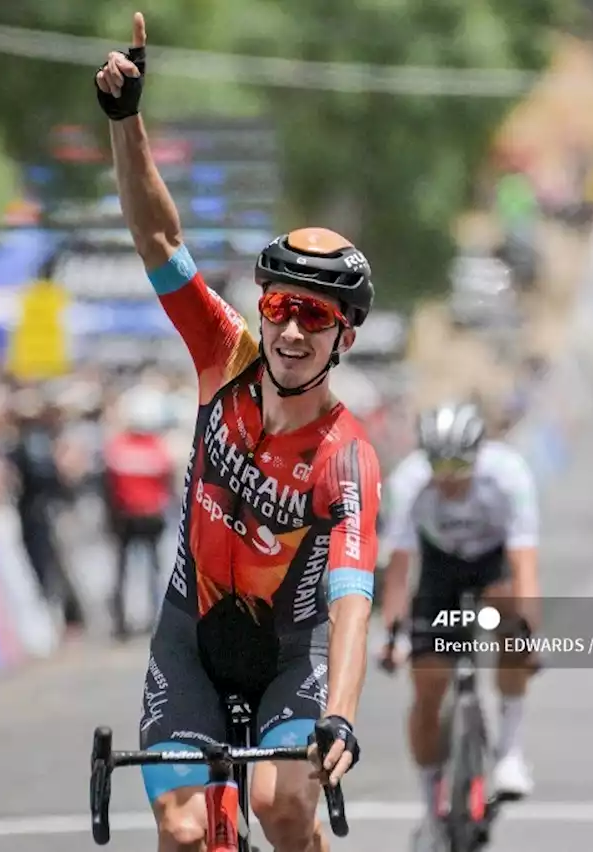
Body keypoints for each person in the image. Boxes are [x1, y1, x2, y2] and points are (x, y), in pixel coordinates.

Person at [96, 14, 382, 850]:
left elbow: (352, 604)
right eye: (280, 308)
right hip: (188, 639)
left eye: (315, 316)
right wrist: (126, 120)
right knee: (184, 833)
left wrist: (341, 716)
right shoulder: (224, 353)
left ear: (343, 337)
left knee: (281, 806)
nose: (291, 332)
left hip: (289, 658)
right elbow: (158, 237)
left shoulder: (347, 454)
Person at [375, 402, 541, 852]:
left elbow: (525, 558)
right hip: (439, 570)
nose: (447, 478)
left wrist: (529, 626)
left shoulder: (508, 475)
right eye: (438, 466)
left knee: (512, 621)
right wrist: (393, 633)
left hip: (492, 566)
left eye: (458, 466)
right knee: (427, 687)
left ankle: (508, 751)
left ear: (478, 455)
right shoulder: (409, 482)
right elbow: (399, 563)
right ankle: (432, 809)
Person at [103, 385, 175, 641]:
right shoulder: (158, 448)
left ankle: (121, 623)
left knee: (123, 569)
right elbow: (168, 480)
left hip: (126, 517)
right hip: (151, 516)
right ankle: (153, 617)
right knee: (153, 568)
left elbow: (110, 484)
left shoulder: (117, 446)